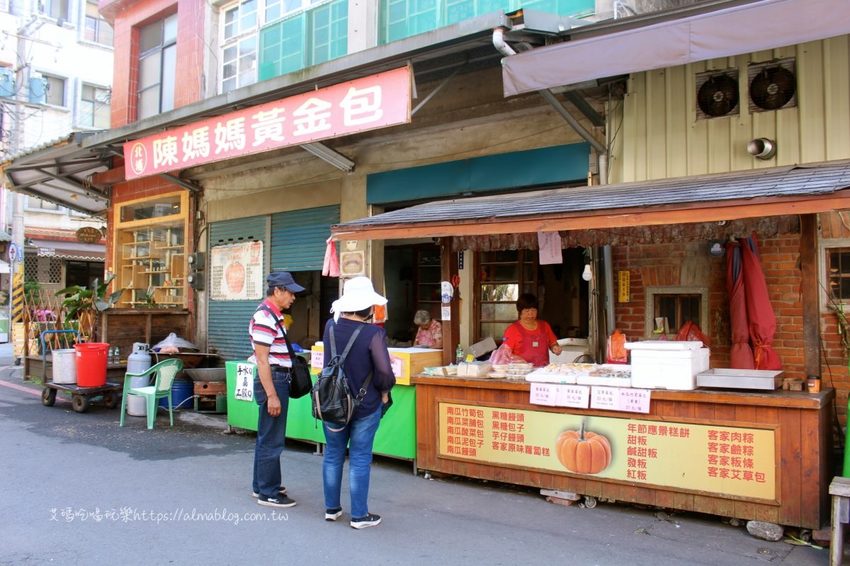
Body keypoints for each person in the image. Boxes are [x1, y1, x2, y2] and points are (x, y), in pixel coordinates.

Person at [322, 276, 395, 529]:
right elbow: (384, 371)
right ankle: (359, 516)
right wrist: (385, 392)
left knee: (332, 454)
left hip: (332, 401)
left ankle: (332, 509)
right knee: (360, 457)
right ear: (368, 308)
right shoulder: (374, 333)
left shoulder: (330, 326)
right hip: (365, 405)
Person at [249, 271, 305, 508]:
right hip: (273, 380)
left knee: (267, 435)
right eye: (290, 292)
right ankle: (269, 493)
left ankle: (262, 484)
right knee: (272, 439)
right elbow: (263, 361)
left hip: (275, 378)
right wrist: (272, 395)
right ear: (278, 290)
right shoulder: (265, 317)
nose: (293, 297)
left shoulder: (273, 315)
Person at [501, 293, 563, 367]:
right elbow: (505, 354)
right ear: (520, 311)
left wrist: (555, 348)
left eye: (533, 310)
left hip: (542, 371)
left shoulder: (545, 326)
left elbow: (553, 343)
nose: (530, 314)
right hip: (521, 372)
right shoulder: (512, 330)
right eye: (527, 311)